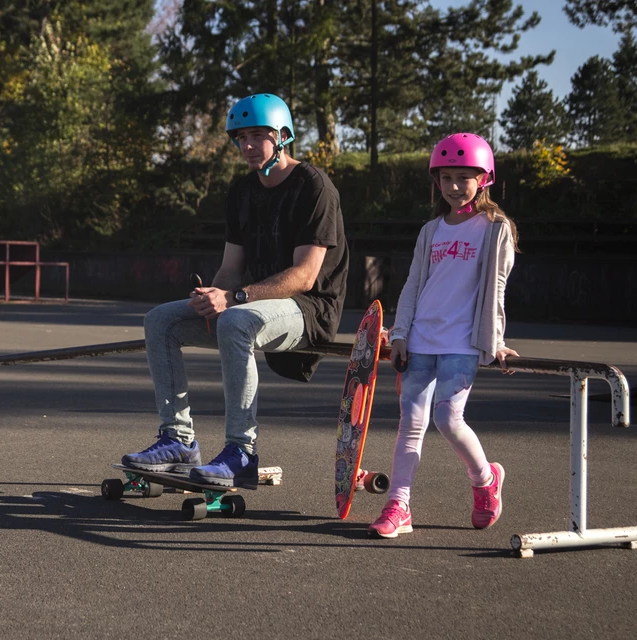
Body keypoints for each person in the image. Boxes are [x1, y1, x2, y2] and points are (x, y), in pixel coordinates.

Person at [122, 93, 349, 489]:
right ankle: (178, 439)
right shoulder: (242, 192)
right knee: (161, 320)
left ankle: (241, 451)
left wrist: (234, 299)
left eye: (257, 136)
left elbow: (305, 276)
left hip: (308, 309)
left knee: (237, 320)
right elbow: (230, 269)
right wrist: (213, 294)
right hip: (251, 304)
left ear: (282, 136)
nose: (246, 146)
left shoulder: (314, 186)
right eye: (240, 137)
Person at [368, 132, 519, 539]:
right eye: (446, 177)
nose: (453, 186)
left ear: (484, 178)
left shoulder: (494, 228)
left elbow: (497, 287)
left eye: (463, 177)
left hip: (462, 342)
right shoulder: (431, 230)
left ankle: (485, 480)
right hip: (421, 339)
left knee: (449, 419)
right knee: (410, 424)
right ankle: (399, 504)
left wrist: (497, 340)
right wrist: (400, 333)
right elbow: (415, 283)